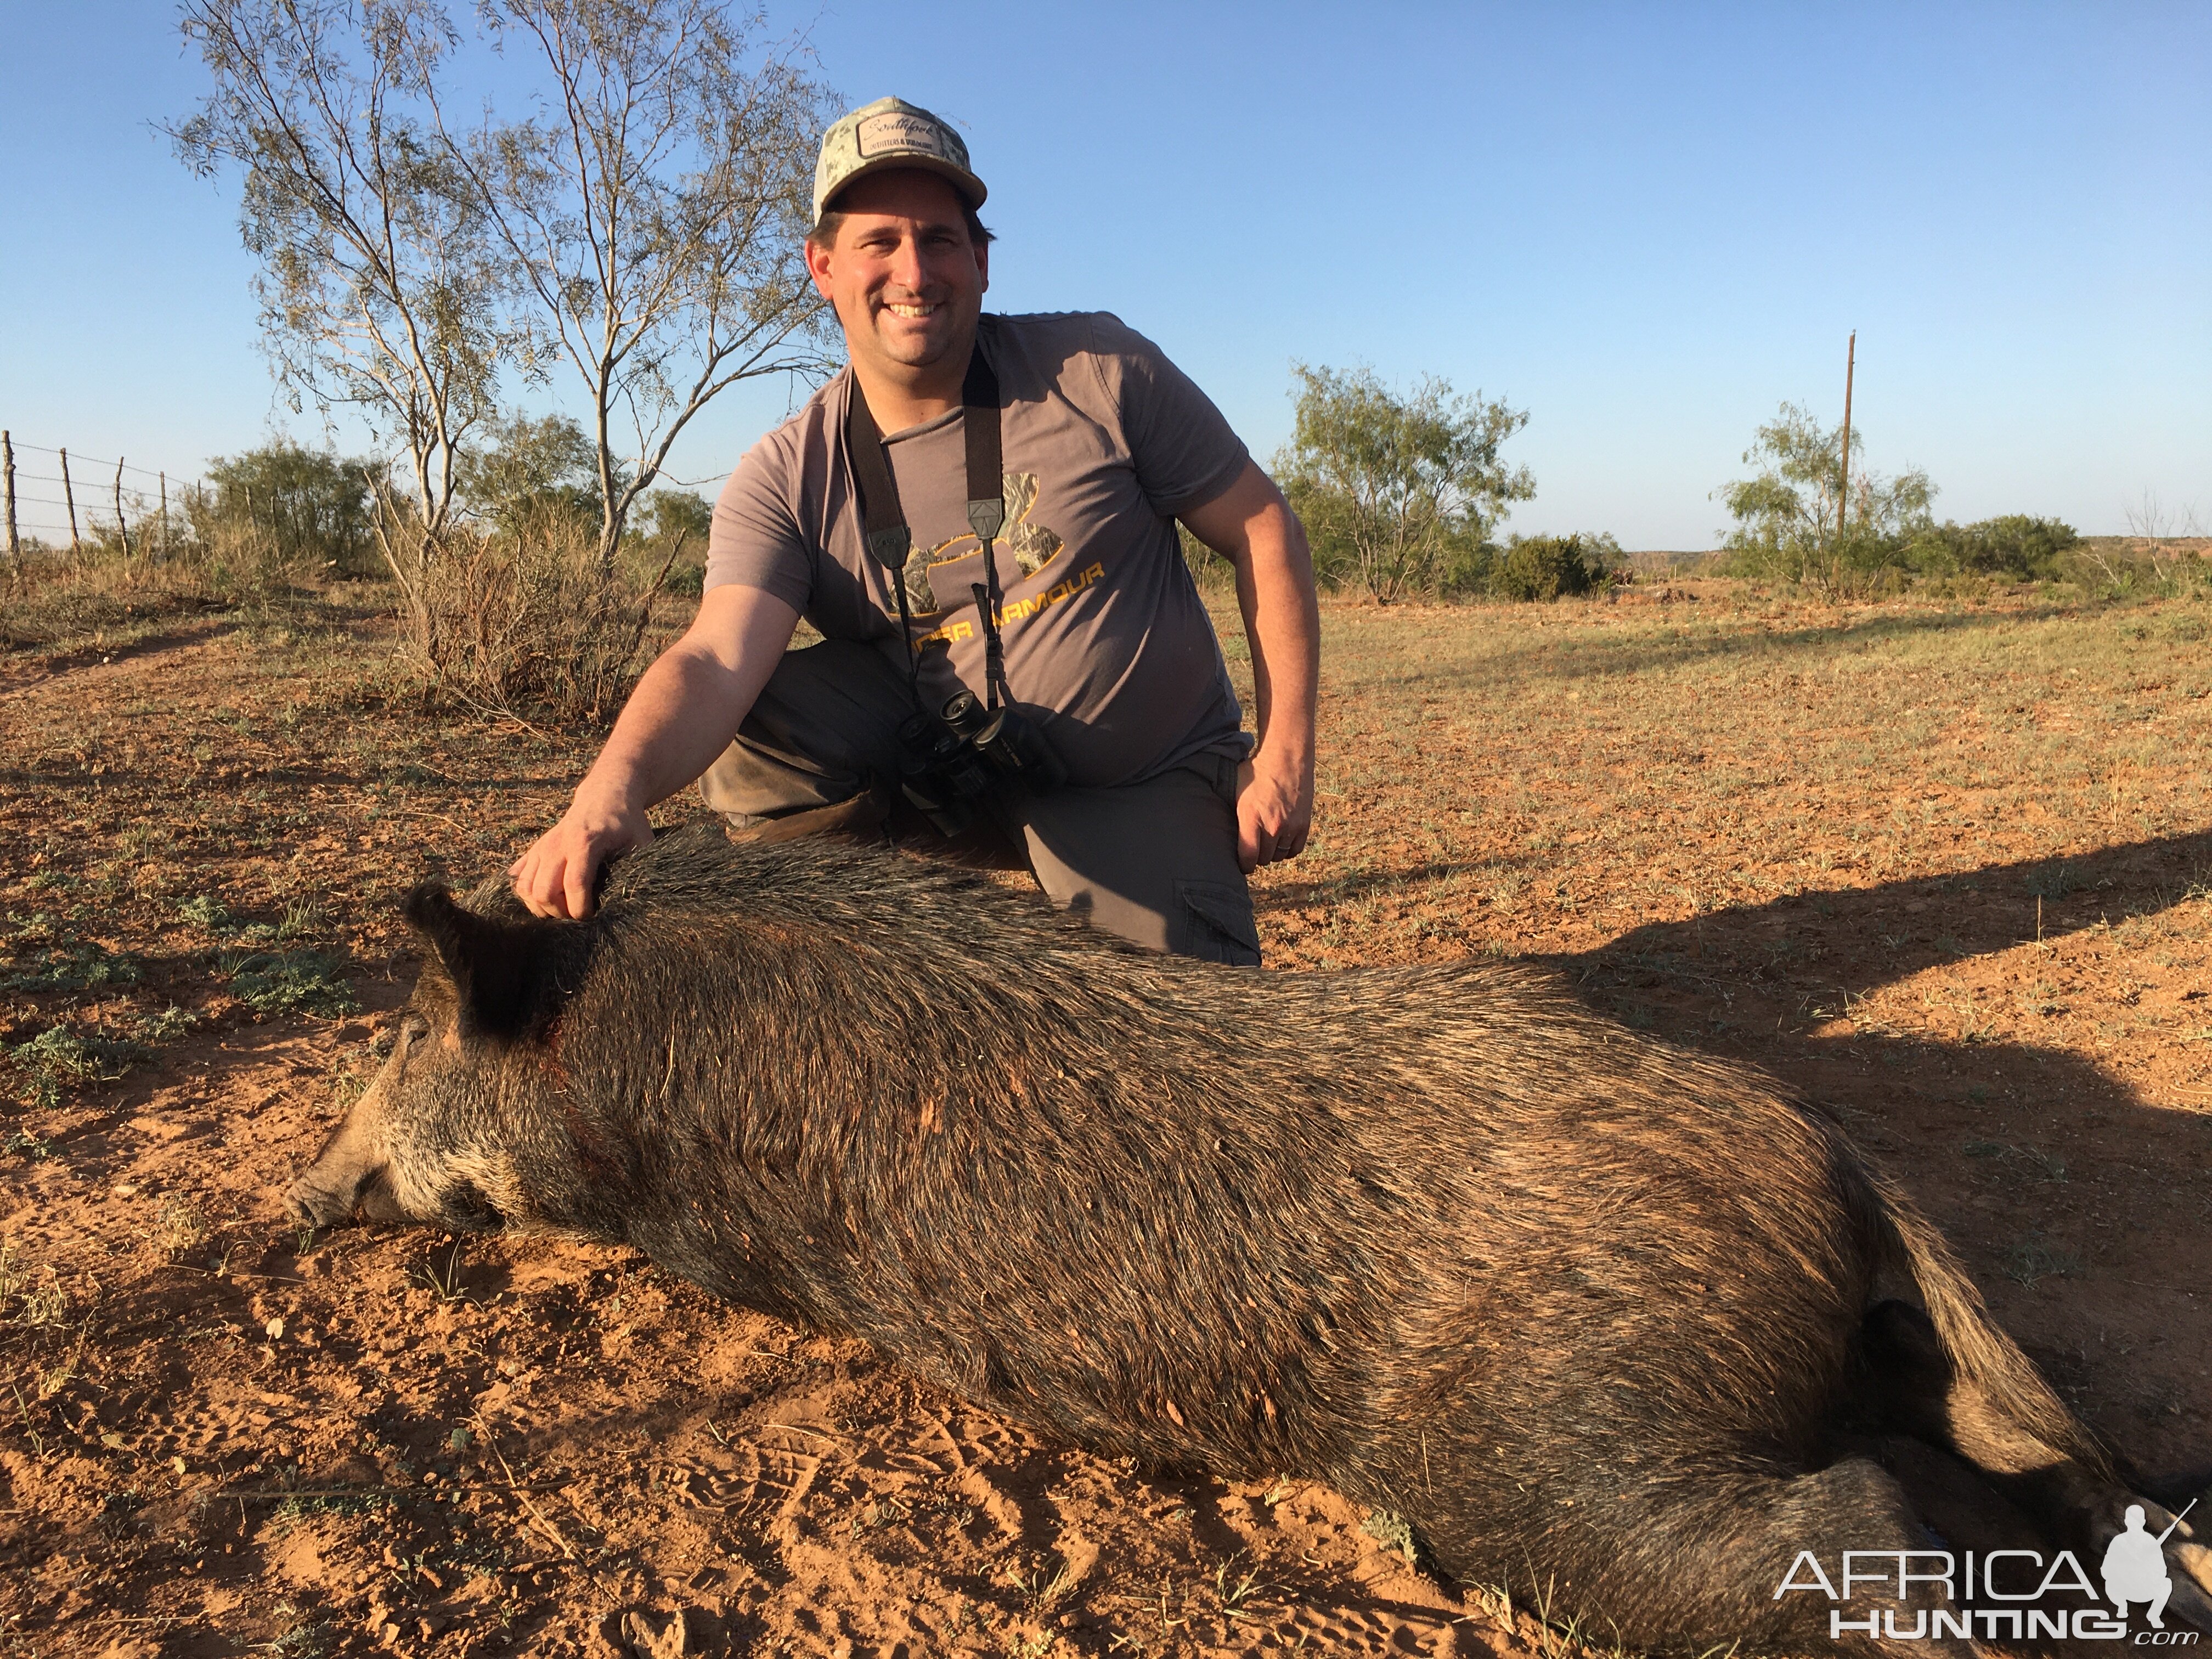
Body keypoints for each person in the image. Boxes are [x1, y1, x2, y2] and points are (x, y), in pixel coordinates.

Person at [510, 96, 1319, 964]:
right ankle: (861, 969)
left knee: (1177, 1054)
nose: (914, 270)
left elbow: (1265, 529)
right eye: (878, 242)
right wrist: (609, 791)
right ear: (822, 267)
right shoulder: (786, 474)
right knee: (760, 727)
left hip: (1136, 778)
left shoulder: (1101, 372)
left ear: (979, 260)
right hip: (946, 775)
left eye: (939, 239)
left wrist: (1283, 758)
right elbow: (714, 658)